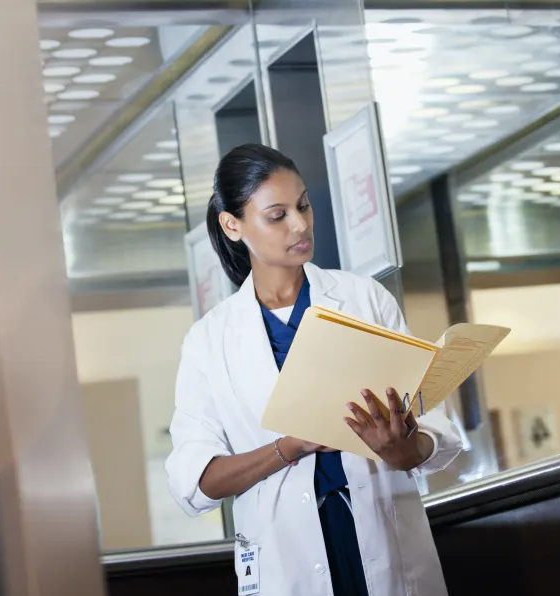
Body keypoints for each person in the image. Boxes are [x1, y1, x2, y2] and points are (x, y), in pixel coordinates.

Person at [165, 144, 463, 596]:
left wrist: (402, 450)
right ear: (233, 225)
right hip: (288, 561)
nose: (300, 224)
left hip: (386, 540)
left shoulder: (365, 301)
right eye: (277, 214)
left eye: (303, 205)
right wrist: (289, 446)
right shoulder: (209, 341)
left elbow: (432, 426)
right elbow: (197, 483)